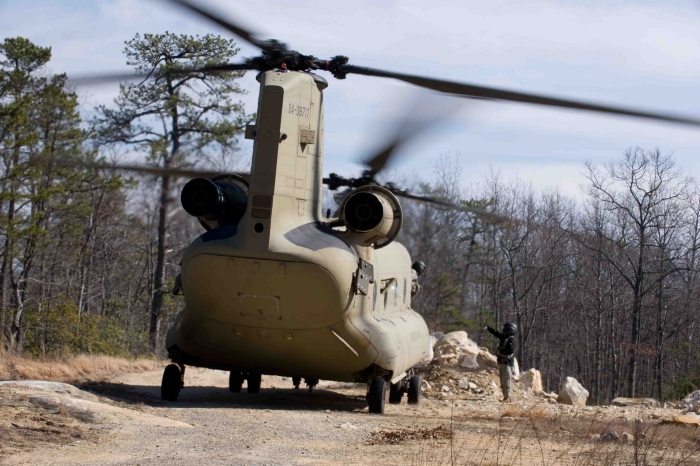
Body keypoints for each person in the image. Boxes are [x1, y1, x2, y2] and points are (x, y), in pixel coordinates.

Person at [484, 322, 517, 402]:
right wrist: (488, 328)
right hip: (502, 363)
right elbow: (496, 333)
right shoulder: (505, 337)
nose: (503, 329)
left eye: (505, 327)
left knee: (506, 380)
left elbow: (510, 351)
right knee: (503, 381)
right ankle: (505, 397)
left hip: (507, 364)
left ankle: (507, 397)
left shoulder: (511, 340)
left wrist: (500, 351)